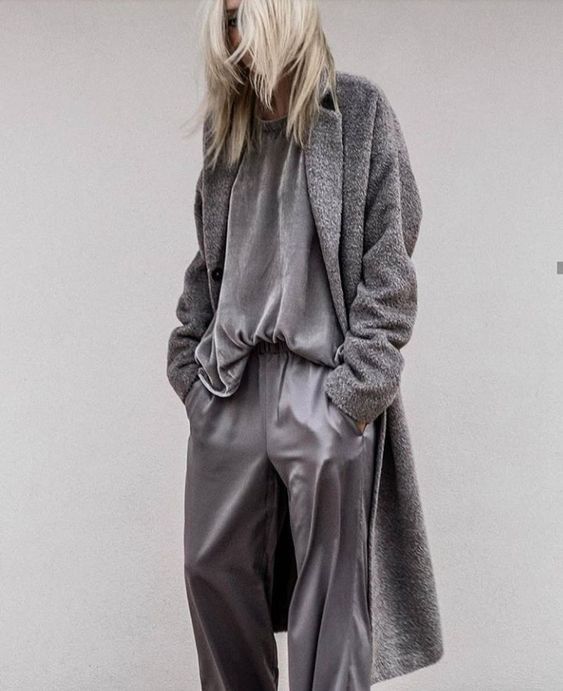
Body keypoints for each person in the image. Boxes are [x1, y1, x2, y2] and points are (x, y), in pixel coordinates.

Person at [166, 0, 444, 688]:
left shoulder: (358, 112)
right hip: (229, 385)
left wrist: (354, 395)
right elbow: (211, 259)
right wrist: (190, 368)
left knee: (331, 597)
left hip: (320, 385)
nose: (234, 34)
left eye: (245, 15)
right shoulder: (226, 130)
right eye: (227, 19)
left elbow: (390, 261)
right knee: (211, 569)